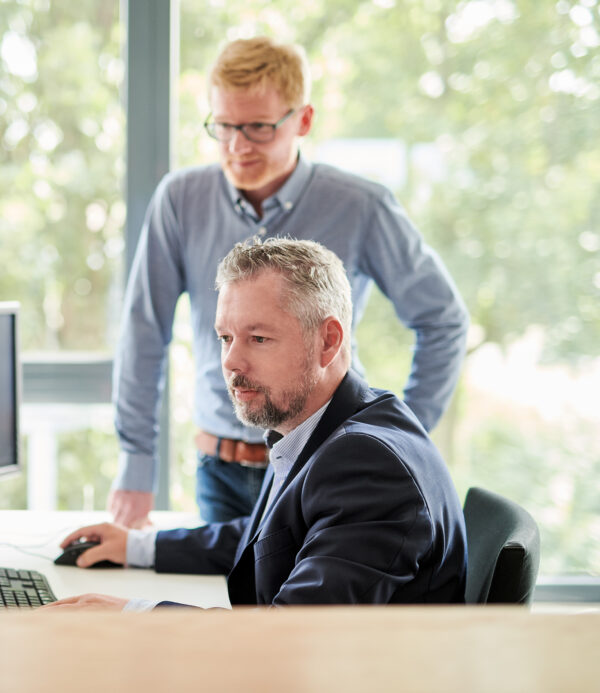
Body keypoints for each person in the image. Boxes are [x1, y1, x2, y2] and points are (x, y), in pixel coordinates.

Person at [109, 36, 469, 527]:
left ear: (302, 120)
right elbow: (143, 334)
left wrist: (403, 435)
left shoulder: (362, 206)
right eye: (224, 126)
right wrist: (136, 468)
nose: (237, 146)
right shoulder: (179, 200)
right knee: (221, 600)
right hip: (220, 470)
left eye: (257, 127)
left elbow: (442, 321)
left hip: (327, 463)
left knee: (313, 602)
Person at [46, 238, 467, 610]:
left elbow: (284, 641)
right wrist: (137, 546)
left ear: (328, 341)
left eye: (258, 338)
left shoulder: (369, 466)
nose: (229, 362)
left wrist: (130, 617)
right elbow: (269, 541)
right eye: (226, 338)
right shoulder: (322, 424)